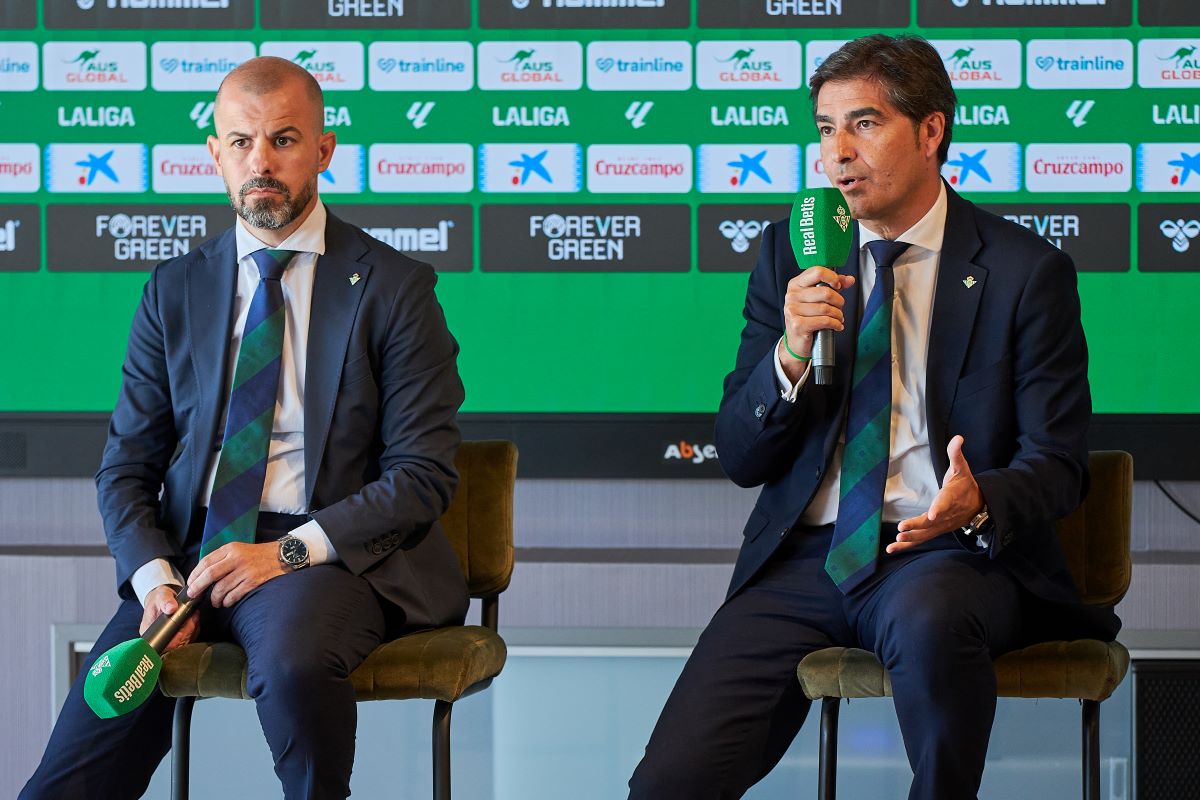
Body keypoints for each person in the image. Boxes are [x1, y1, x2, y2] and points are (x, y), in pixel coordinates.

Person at [629, 34, 1119, 800]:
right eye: (825, 129)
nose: (837, 153)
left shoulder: (1025, 274)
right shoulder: (789, 254)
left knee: (931, 616)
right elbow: (739, 456)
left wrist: (980, 499)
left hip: (945, 555)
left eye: (864, 124)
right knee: (667, 784)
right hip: (804, 563)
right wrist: (788, 355)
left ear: (932, 131)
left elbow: (1058, 463)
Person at [22, 56, 468, 800]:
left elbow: (423, 477)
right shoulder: (174, 290)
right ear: (215, 154)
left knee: (292, 663)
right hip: (190, 566)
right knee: (70, 771)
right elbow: (126, 468)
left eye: (284, 140)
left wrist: (284, 553)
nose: (260, 162)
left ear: (323, 150)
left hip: (326, 554)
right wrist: (156, 580)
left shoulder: (394, 289)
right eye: (241, 142)